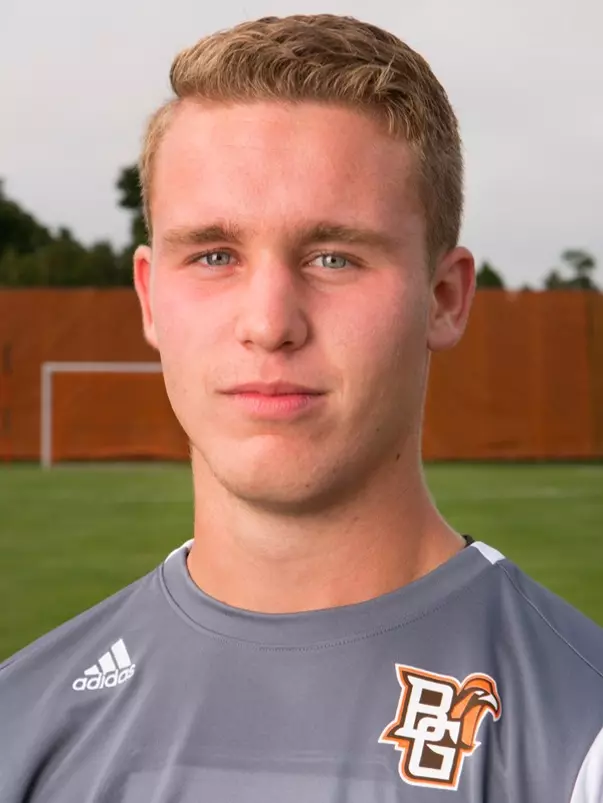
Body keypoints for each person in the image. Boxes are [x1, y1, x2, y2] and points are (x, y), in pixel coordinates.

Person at [1, 13, 602, 802]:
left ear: (445, 297)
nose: (269, 323)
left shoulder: (579, 733)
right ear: (149, 296)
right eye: (213, 255)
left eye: (333, 256)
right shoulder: (24, 721)